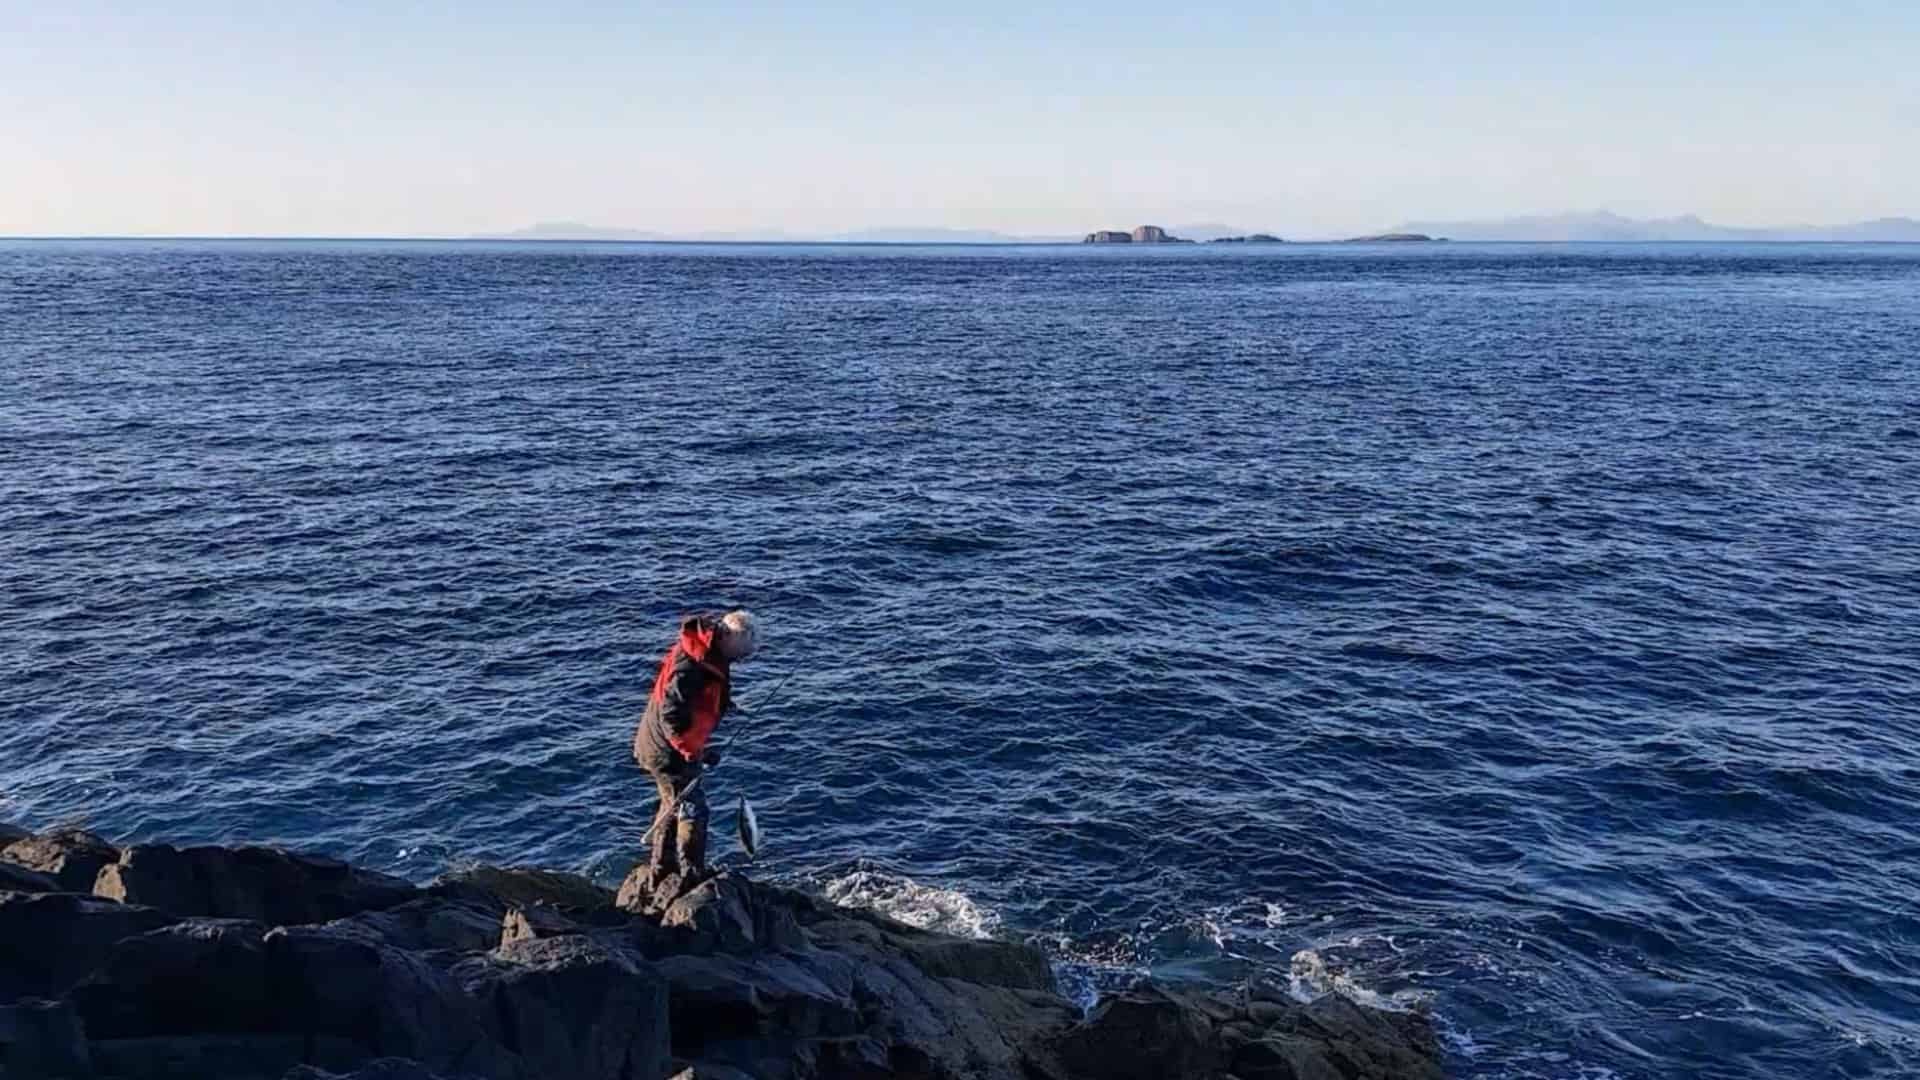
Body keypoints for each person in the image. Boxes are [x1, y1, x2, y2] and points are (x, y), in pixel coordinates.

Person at [633, 609, 758, 879]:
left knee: (672, 803)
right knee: (692, 808)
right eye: (743, 652)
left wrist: (727, 706)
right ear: (730, 638)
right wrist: (692, 752)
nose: (742, 660)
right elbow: (671, 713)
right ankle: (689, 871)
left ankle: (663, 868)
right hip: (665, 751)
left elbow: (704, 694)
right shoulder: (692, 664)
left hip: (665, 745)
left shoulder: (708, 653)